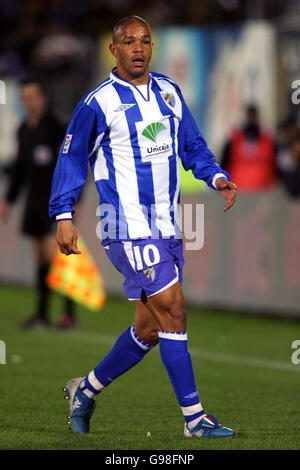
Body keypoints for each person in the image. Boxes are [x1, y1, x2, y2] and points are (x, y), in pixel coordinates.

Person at [49, 16, 237, 438]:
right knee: (174, 309)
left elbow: (192, 145)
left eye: (145, 41)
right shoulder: (97, 103)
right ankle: (194, 420)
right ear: (114, 50)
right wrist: (64, 215)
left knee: (150, 328)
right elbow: (72, 158)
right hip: (125, 226)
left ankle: (85, 388)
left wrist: (215, 176)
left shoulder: (169, 92)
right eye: (129, 41)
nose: (138, 47)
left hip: (167, 226)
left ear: (152, 47)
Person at [0, 77, 77, 328]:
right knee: (41, 259)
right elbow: (20, 170)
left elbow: (72, 164)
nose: (29, 101)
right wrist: (8, 200)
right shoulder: (23, 129)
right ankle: (42, 314)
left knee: (57, 256)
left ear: (43, 97)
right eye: (25, 97)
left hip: (55, 199)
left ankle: (68, 314)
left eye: (33, 96)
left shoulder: (57, 126)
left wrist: (74, 198)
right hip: (34, 199)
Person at [220, 104, 276, 191]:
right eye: (249, 115)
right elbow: (224, 164)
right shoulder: (234, 141)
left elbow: (274, 167)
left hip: (262, 192)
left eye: (253, 116)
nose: (251, 119)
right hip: (238, 192)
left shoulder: (267, 141)